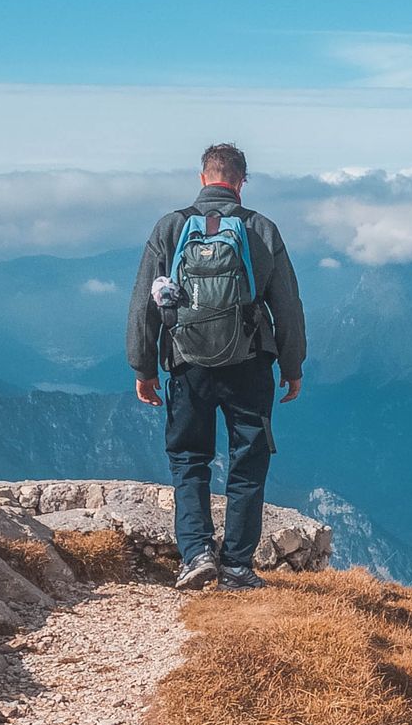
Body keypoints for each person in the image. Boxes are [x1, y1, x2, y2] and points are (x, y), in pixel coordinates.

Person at [126, 143, 306, 590]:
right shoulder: (261, 229)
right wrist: (292, 363)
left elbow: (143, 305)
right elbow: (286, 304)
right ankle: (238, 566)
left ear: (203, 177)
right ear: (242, 181)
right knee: (248, 460)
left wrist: (143, 366)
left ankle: (195, 554)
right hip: (249, 364)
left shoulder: (170, 228)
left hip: (188, 365)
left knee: (189, 458)